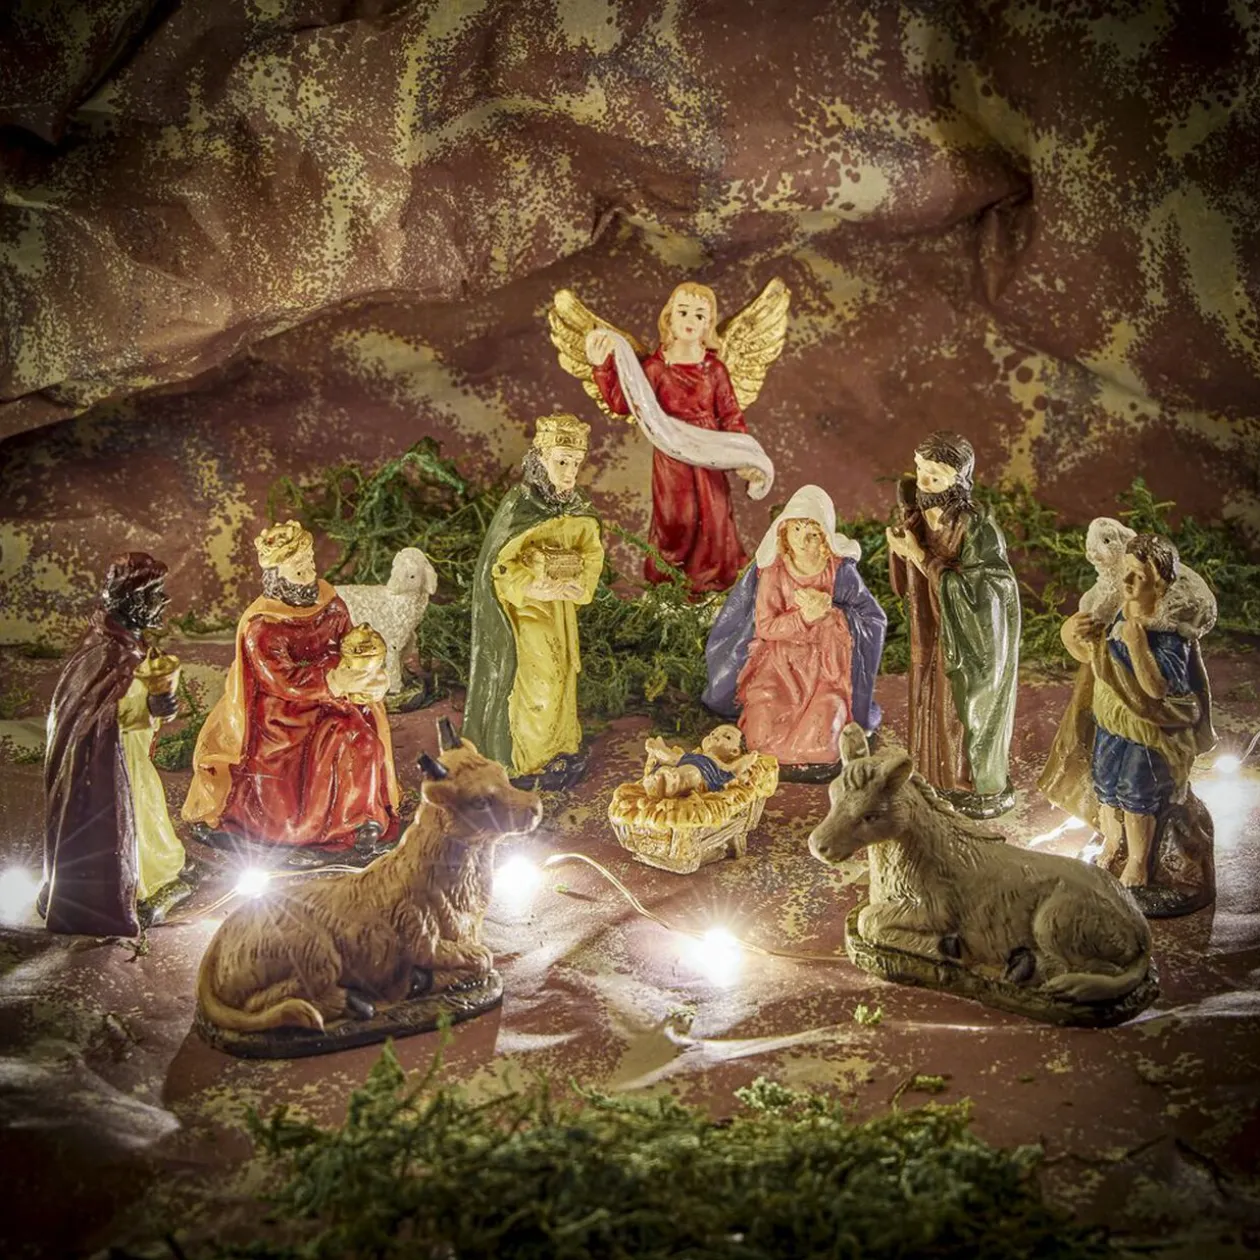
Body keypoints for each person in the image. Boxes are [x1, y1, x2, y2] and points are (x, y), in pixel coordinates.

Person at [182, 521, 399, 855]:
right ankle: (295, 829)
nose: (307, 570)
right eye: (297, 567)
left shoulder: (331, 604)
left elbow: (350, 645)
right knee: (283, 784)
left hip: (332, 703)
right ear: (276, 575)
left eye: (308, 561)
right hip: (282, 716)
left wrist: (369, 675)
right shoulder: (263, 626)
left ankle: (361, 818)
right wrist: (334, 680)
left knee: (361, 741)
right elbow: (283, 680)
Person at [1042, 533, 1216, 912]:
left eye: (1139, 575)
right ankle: (1111, 844)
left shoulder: (1170, 635)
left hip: (1146, 731)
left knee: (1137, 792)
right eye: (1126, 571)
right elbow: (1090, 654)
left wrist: (1137, 644)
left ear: (1161, 584)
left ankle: (1137, 862)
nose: (1127, 581)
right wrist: (1073, 633)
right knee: (1106, 784)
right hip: (1111, 719)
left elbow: (1156, 689)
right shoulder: (1117, 611)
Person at [41, 553, 188, 936]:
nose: (164, 601)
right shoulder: (107, 653)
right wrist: (149, 706)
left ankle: (159, 874)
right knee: (132, 821)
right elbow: (99, 719)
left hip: (130, 760)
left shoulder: (124, 645)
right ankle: (135, 889)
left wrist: (156, 707)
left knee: (149, 813)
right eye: (155, 594)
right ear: (133, 600)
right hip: (111, 772)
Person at [586, 282, 763, 592]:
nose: (690, 320)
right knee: (676, 519)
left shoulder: (714, 370)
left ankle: (712, 586)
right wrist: (602, 368)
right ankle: (671, 587)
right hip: (672, 455)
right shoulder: (655, 368)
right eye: (683, 312)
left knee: (715, 519)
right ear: (669, 317)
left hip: (711, 452)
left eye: (699, 315)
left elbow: (731, 415)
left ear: (708, 323)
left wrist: (743, 455)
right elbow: (623, 404)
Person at [703, 485, 886, 777]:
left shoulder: (839, 572)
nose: (802, 539)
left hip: (826, 673)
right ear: (784, 530)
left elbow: (872, 618)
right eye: (796, 529)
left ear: (825, 537)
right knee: (760, 740)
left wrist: (830, 615)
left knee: (824, 745)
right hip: (778, 670)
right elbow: (765, 627)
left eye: (812, 532)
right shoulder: (774, 572)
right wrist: (802, 619)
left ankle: (823, 727)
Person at [461, 415, 605, 788]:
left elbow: (591, 552)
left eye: (576, 463)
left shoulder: (578, 507)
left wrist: (580, 586)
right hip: (525, 613)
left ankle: (559, 748)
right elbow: (498, 566)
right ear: (540, 458)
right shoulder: (519, 507)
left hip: (560, 611)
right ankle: (526, 759)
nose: (570, 472)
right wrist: (532, 587)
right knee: (539, 681)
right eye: (561, 461)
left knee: (562, 675)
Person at [885, 432, 1020, 818]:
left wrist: (921, 558)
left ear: (959, 480)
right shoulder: (917, 514)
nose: (925, 482)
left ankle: (969, 785)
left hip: (966, 638)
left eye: (936, 476)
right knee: (929, 700)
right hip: (928, 630)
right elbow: (905, 580)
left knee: (959, 708)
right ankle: (931, 776)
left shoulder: (976, 526)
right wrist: (902, 550)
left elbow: (990, 589)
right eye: (921, 471)